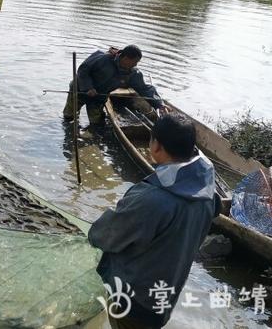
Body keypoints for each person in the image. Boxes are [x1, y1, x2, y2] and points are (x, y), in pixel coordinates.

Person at [88, 114, 222, 329]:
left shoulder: (151, 198)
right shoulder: (206, 185)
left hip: (134, 300)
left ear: (156, 145)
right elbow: (215, 209)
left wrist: (96, 229)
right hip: (165, 296)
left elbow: (105, 236)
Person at [63, 45, 165, 125]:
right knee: (69, 117)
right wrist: (88, 87)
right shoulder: (102, 57)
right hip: (79, 89)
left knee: (96, 123)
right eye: (134, 62)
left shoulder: (133, 73)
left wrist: (159, 104)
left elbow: (144, 89)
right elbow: (83, 70)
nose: (135, 65)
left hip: (99, 97)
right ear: (125, 58)